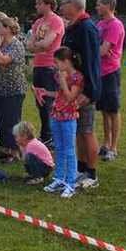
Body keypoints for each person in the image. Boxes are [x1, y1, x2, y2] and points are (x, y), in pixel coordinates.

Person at [60, 0, 101, 189]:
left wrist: (89, 92)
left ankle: (92, 174)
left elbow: (92, 62)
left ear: (74, 5)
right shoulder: (72, 28)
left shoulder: (86, 28)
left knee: (87, 130)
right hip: (72, 88)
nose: (61, 7)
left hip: (84, 89)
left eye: (63, 3)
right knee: (77, 131)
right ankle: (81, 167)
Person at [0, 13, 27, 164]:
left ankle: (15, 151)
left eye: (1, 27)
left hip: (13, 88)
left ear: (8, 29)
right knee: (2, 121)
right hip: (0, 87)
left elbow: (2, 60)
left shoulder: (16, 45)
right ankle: (5, 149)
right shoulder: (1, 44)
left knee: (12, 121)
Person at [44, 46, 83, 198]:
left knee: (69, 150)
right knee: (59, 148)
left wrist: (63, 81)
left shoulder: (77, 77)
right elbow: (59, 94)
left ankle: (71, 182)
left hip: (68, 118)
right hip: (56, 115)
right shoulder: (60, 75)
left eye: (57, 62)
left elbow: (70, 97)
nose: (55, 65)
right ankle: (59, 178)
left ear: (66, 62)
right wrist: (46, 93)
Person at [27, 0, 65, 147]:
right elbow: (29, 45)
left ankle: (51, 136)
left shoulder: (56, 21)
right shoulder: (38, 22)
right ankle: (46, 135)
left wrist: (37, 45)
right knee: (40, 102)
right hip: (38, 65)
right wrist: (38, 46)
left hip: (50, 66)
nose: (36, 6)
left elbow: (47, 43)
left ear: (48, 4)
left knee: (48, 102)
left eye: (39, 3)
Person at [95, 0, 126, 162]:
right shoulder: (100, 24)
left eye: (99, 4)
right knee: (104, 111)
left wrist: (91, 51)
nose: (97, 7)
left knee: (113, 110)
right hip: (100, 72)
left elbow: (102, 50)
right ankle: (106, 144)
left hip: (110, 72)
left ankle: (114, 147)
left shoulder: (115, 25)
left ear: (108, 5)